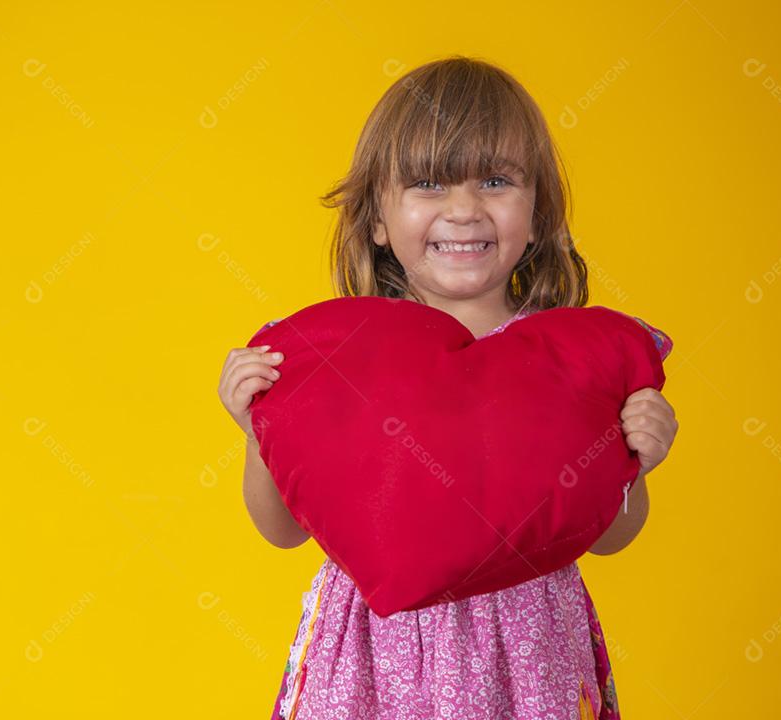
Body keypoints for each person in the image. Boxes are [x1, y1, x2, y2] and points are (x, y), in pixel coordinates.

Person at [217, 55, 678, 720]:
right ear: (377, 218)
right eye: (429, 184)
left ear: (538, 211)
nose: (464, 210)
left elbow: (606, 536)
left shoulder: (577, 363)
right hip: (377, 650)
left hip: (525, 648)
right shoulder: (334, 361)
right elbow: (283, 530)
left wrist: (639, 462)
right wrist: (256, 433)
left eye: (496, 181)